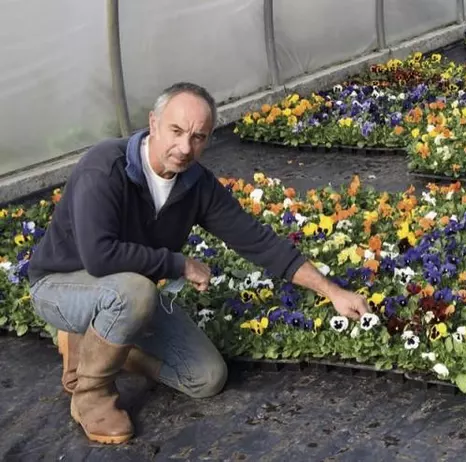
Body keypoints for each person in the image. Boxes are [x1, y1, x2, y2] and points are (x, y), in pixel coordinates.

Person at [26, 82, 370, 445]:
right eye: (176, 131)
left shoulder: (196, 184)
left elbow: (256, 239)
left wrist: (332, 291)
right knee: (135, 291)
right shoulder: (105, 167)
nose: (185, 148)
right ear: (154, 122)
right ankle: (91, 393)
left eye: (198, 137)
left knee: (206, 377)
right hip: (60, 285)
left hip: (126, 294)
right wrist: (178, 264)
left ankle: (109, 347)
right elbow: (99, 256)